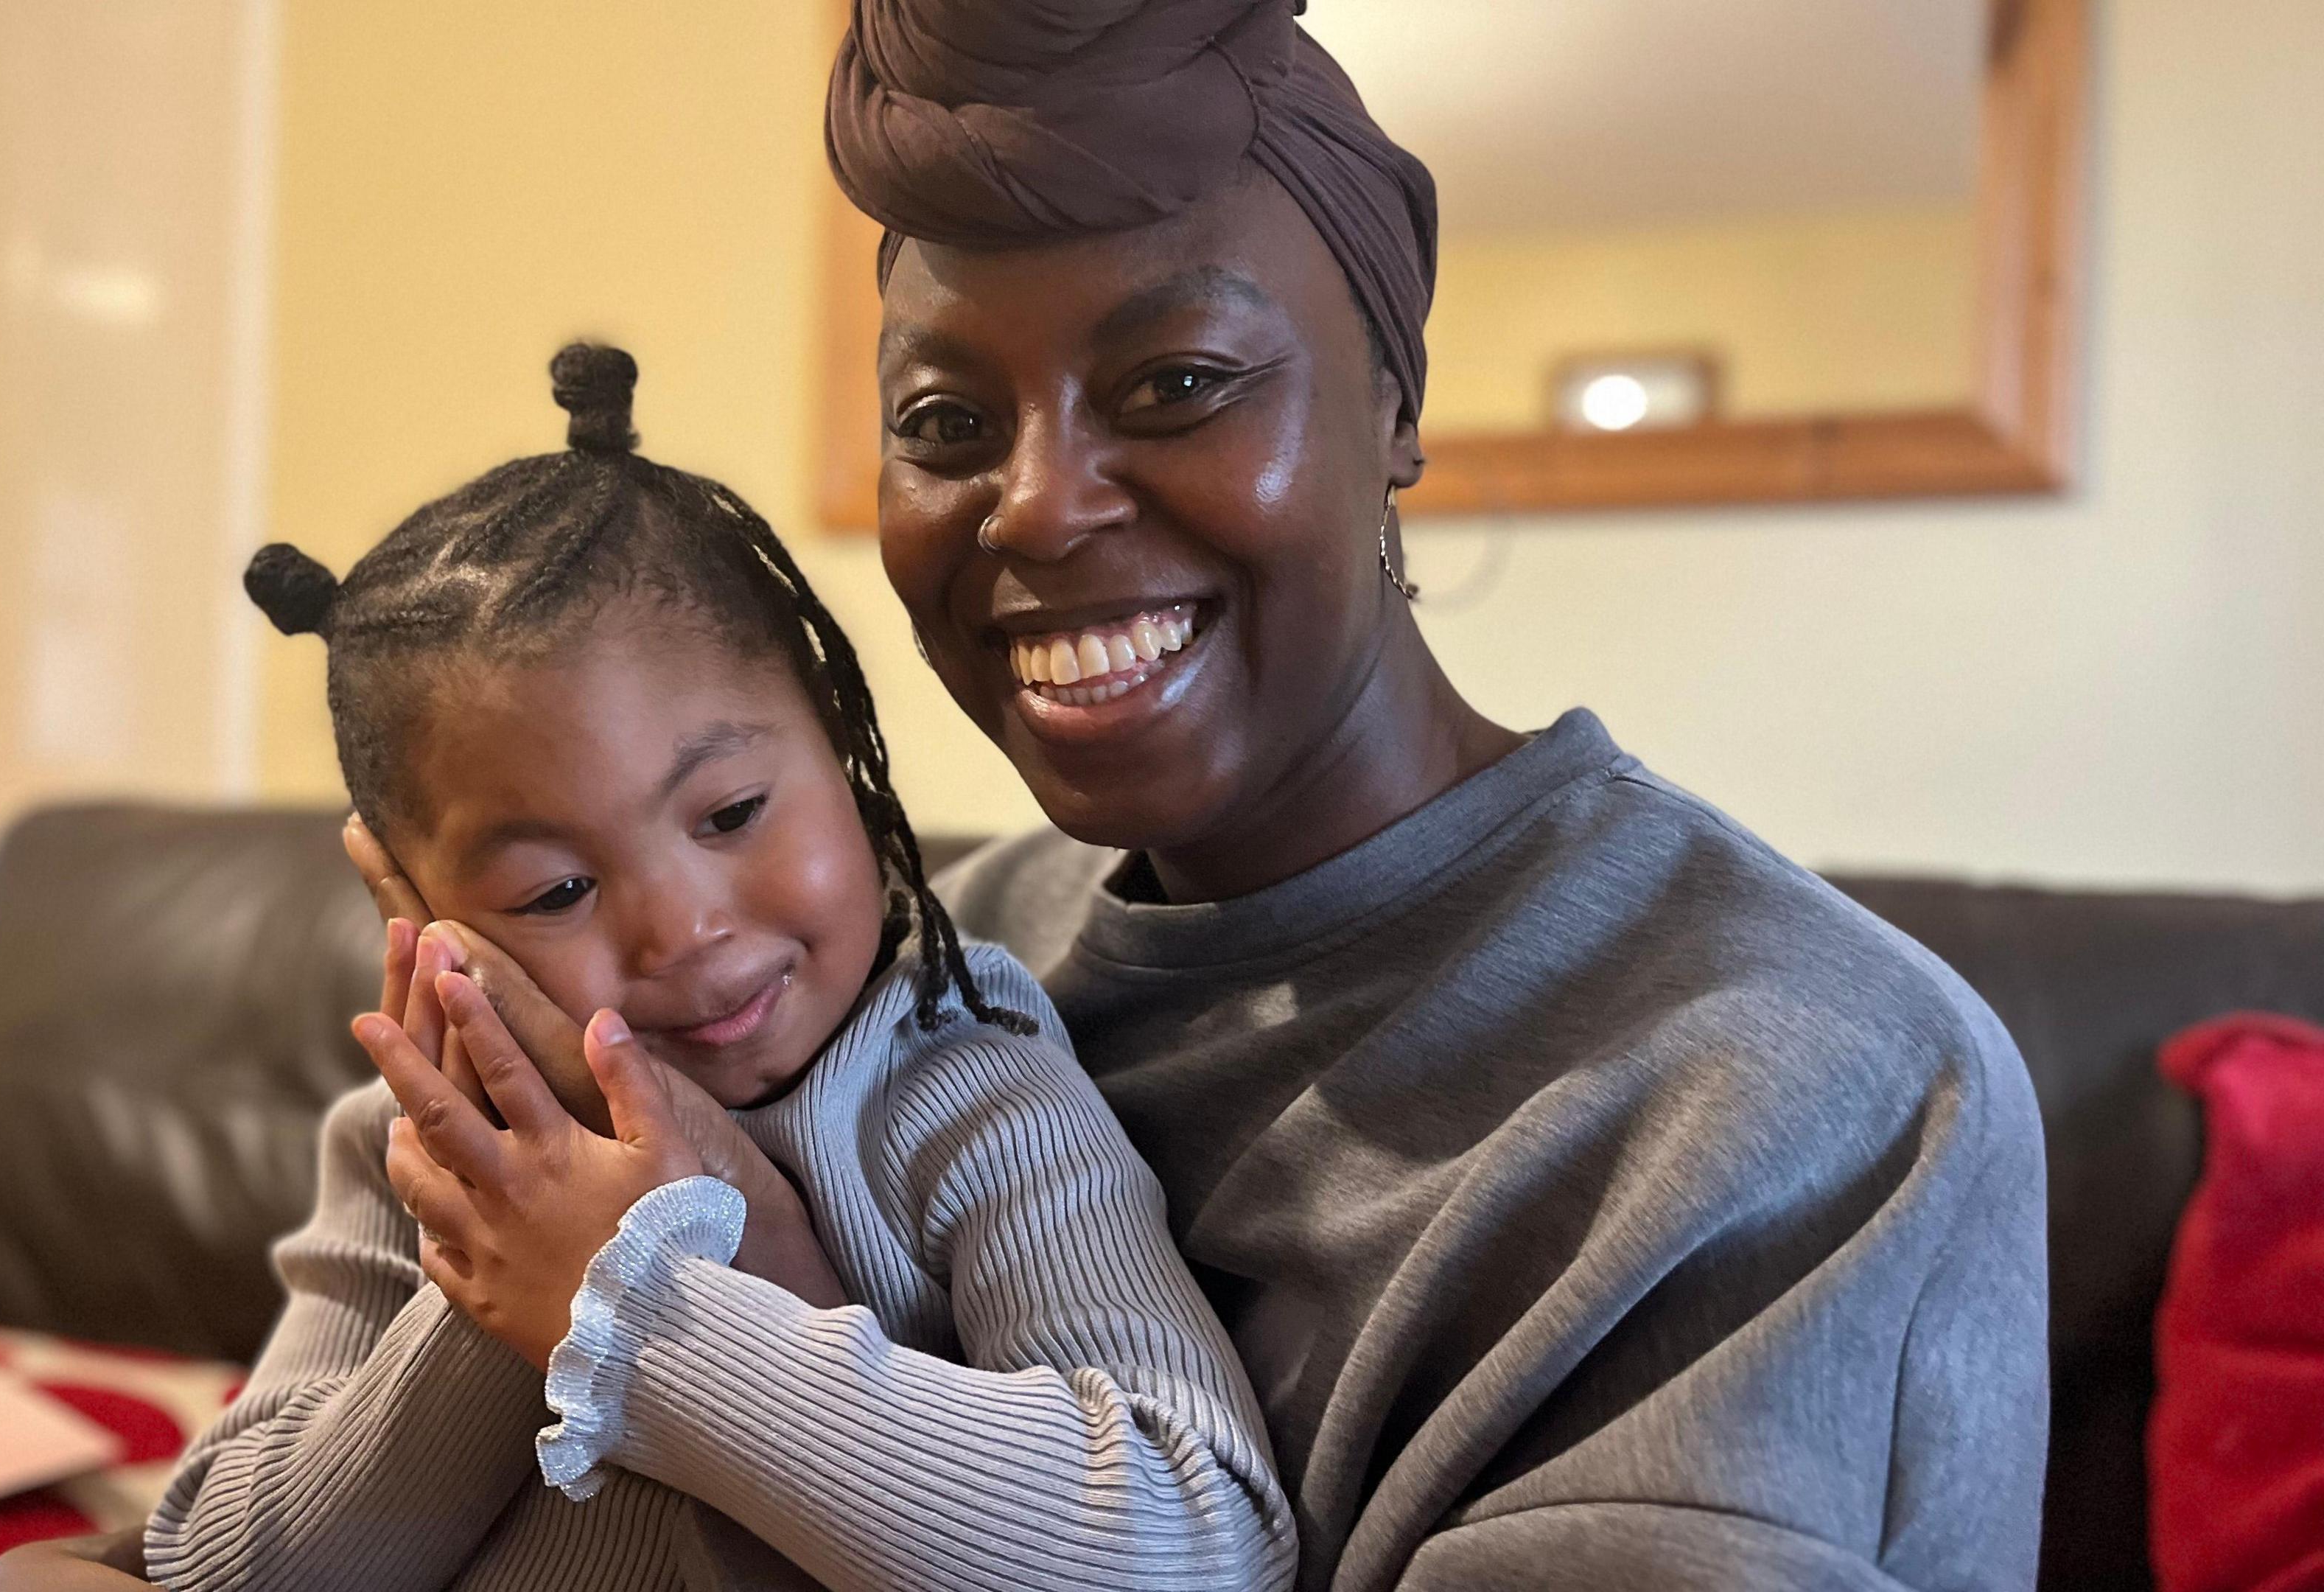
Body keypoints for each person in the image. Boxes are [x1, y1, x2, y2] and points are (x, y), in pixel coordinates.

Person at [328, 4, 2054, 1588]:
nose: (1038, 506)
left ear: (1396, 392)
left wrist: (738, 1306)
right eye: (944, 418)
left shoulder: (1802, 1090)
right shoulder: (929, 967)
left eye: (1177, 385)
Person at [0, 343, 1298, 1592]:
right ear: (419, 910)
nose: (683, 932)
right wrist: (513, 1267)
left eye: (730, 814)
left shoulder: (966, 1084)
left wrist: (631, 1304)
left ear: (841, 736)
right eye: (556, 891)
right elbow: (222, 1569)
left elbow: (1198, 1545)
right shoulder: (421, 1158)